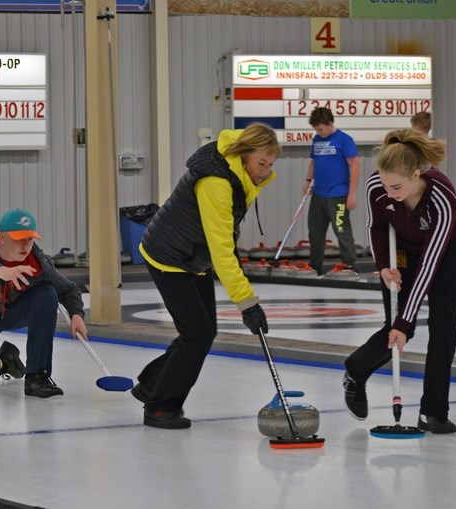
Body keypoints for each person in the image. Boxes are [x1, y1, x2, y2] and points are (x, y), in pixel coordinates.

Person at [132, 123, 282, 429]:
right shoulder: (217, 181)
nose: (265, 171)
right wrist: (247, 304)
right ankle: (160, 406)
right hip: (169, 256)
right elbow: (221, 248)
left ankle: (152, 384)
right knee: (197, 334)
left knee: (202, 332)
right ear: (243, 155)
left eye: (270, 164)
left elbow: (225, 235)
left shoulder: (237, 175)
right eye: (261, 163)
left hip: (192, 255)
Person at [342, 129, 456, 434]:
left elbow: (429, 264)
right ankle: (356, 371)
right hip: (400, 250)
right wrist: (384, 267)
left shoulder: (441, 196)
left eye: (396, 187)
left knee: (444, 324)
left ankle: (433, 412)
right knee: (397, 328)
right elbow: (375, 226)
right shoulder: (377, 185)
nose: (389, 192)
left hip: (444, 250)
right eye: (384, 185)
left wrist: (404, 320)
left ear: (416, 174)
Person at [0, 208, 88, 398]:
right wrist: (0, 270)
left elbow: (68, 289)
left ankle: (37, 376)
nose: (25, 245)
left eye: (29, 239)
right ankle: (4, 361)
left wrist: (77, 313)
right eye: (19, 238)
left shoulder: (38, 263)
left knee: (46, 294)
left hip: (15, 312)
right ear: (1, 238)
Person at [305, 107, 360, 276]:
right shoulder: (317, 140)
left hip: (338, 194)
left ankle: (350, 265)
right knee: (315, 232)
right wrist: (307, 181)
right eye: (316, 129)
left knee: (342, 230)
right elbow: (313, 162)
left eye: (321, 129)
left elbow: (355, 166)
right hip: (319, 193)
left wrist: (351, 194)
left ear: (330, 124)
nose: (318, 132)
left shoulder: (344, 140)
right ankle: (315, 266)